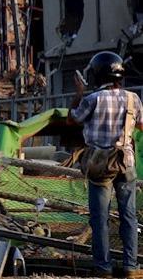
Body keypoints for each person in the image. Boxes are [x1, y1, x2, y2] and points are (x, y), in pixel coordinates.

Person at [72, 51, 143, 277]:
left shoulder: (92, 100)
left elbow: (72, 119)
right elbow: (141, 125)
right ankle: (131, 267)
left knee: (100, 217)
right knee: (128, 215)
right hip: (126, 161)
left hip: (100, 164)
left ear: (97, 74)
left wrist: (79, 94)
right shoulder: (134, 98)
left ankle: (104, 268)